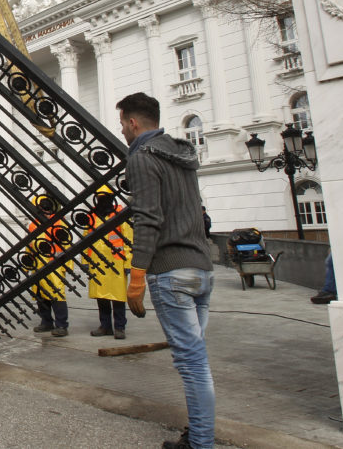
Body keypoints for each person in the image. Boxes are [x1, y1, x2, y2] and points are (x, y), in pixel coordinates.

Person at [118, 92, 215, 449]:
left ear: (132, 122)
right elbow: (193, 211)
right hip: (202, 269)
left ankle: (201, 443)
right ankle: (199, 432)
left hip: (171, 272)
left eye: (123, 124)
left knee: (192, 365)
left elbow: (148, 219)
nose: (123, 132)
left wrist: (137, 275)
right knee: (197, 361)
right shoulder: (182, 154)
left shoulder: (142, 157)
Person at [85, 186, 133, 340]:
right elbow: (86, 240)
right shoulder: (92, 216)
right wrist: (85, 261)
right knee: (101, 296)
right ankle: (105, 326)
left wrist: (128, 264)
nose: (102, 200)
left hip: (116, 261)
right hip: (97, 261)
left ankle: (119, 327)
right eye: (100, 197)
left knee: (118, 297)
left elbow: (129, 240)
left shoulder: (120, 214)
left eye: (105, 197)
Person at [26, 195, 69, 337]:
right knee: (40, 296)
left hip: (53, 264)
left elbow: (66, 245)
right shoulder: (33, 225)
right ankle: (46, 322)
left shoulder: (58, 222)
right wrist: (27, 265)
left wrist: (66, 265)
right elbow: (29, 246)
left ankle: (61, 324)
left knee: (56, 294)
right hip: (38, 264)